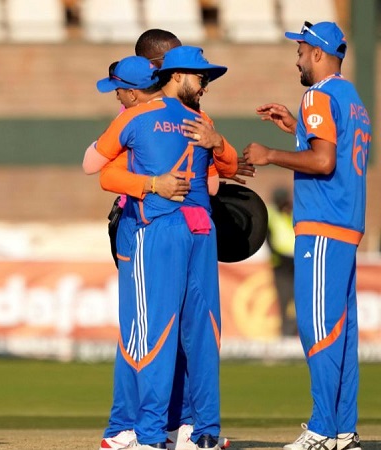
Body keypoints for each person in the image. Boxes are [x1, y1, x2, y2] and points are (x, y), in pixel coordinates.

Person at [91, 30, 237, 450]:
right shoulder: (187, 119)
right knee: (186, 330)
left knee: (155, 329)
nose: (205, 85)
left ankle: (156, 431)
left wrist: (154, 181)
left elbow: (98, 168)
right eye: (200, 77)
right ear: (169, 73)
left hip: (162, 228)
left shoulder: (147, 117)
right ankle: (181, 428)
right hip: (178, 227)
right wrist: (211, 152)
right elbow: (219, 177)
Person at [243, 21, 368, 450]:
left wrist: (269, 154)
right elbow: (332, 148)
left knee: (319, 330)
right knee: (342, 333)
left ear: (317, 53)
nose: (297, 59)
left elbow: (323, 161)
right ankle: (343, 430)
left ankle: (322, 429)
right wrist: (297, 127)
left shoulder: (319, 94)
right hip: (346, 224)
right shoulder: (351, 98)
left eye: (300, 51)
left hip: (322, 225)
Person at [266, 186, 296, 337]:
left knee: (300, 300)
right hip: (281, 264)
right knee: (285, 299)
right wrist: (280, 256)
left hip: (297, 262)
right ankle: (286, 334)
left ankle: (296, 332)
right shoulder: (271, 214)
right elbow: (270, 240)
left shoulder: (292, 212)